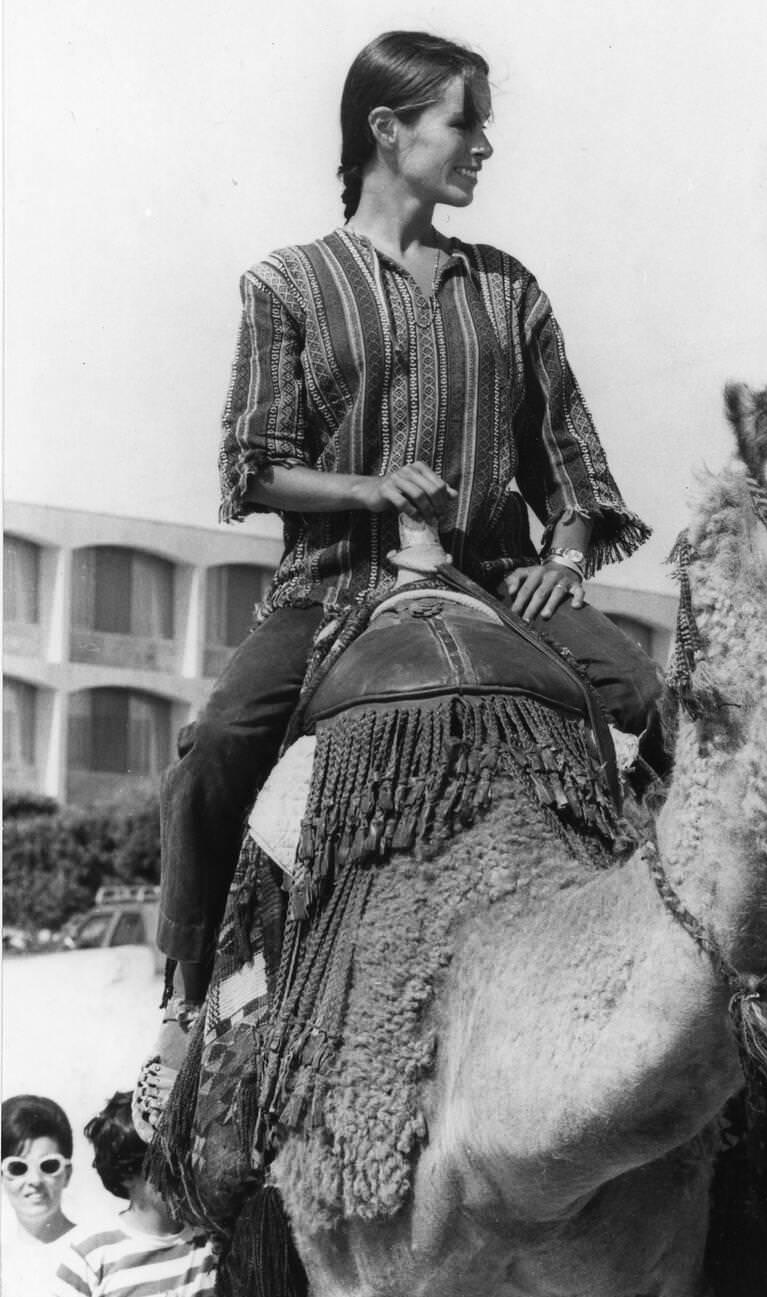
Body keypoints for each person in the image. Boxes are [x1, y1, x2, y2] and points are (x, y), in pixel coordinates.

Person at [134, 29, 666, 1136]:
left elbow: (570, 467)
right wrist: (374, 488)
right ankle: (183, 1004)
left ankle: (695, 978)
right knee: (218, 748)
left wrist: (564, 559)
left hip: (505, 578)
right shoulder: (286, 285)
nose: (482, 145)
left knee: (667, 716)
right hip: (331, 588)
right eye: (463, 122)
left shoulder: (508, 289)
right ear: (388, 130)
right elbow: (254, 467)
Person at [53, 1092, 216, 1296]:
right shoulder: (92, 1256)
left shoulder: (210, 1244)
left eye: (185, 1158)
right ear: (126, 1174)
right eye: (167, 1164)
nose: (182, 1174)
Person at [1, 1095, 78, 1296]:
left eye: (49, 1166)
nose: (35, 1180)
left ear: (67, 1174)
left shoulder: (98, 1252)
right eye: (18, 1168)